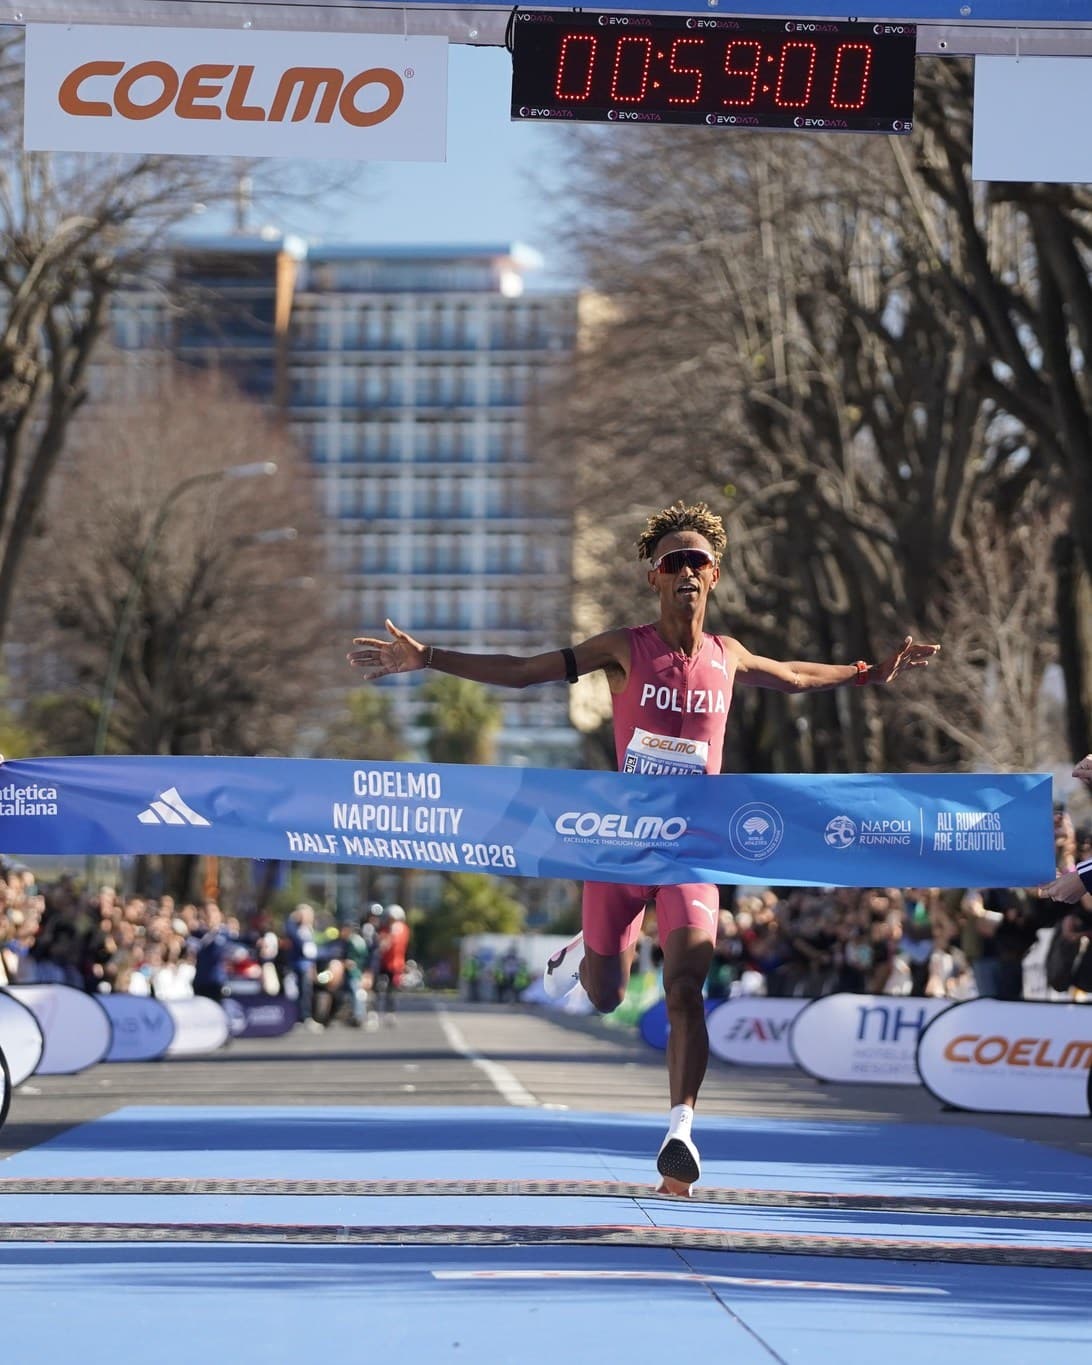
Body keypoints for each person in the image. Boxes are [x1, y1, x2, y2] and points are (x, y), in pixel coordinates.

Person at [347, 498, 939, 1193]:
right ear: (653, 578)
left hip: (694, 850)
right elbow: (524, 670)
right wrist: (430, 658)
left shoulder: (729, 656)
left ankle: (680, 1131)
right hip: (620, 849)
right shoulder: (623, 648)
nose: (687, 572)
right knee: (603, 995)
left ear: (715, 576)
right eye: (674, 562)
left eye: (699, 562)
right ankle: (586, 947)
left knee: (687, 986)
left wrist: (871, 672)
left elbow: (800, 675)